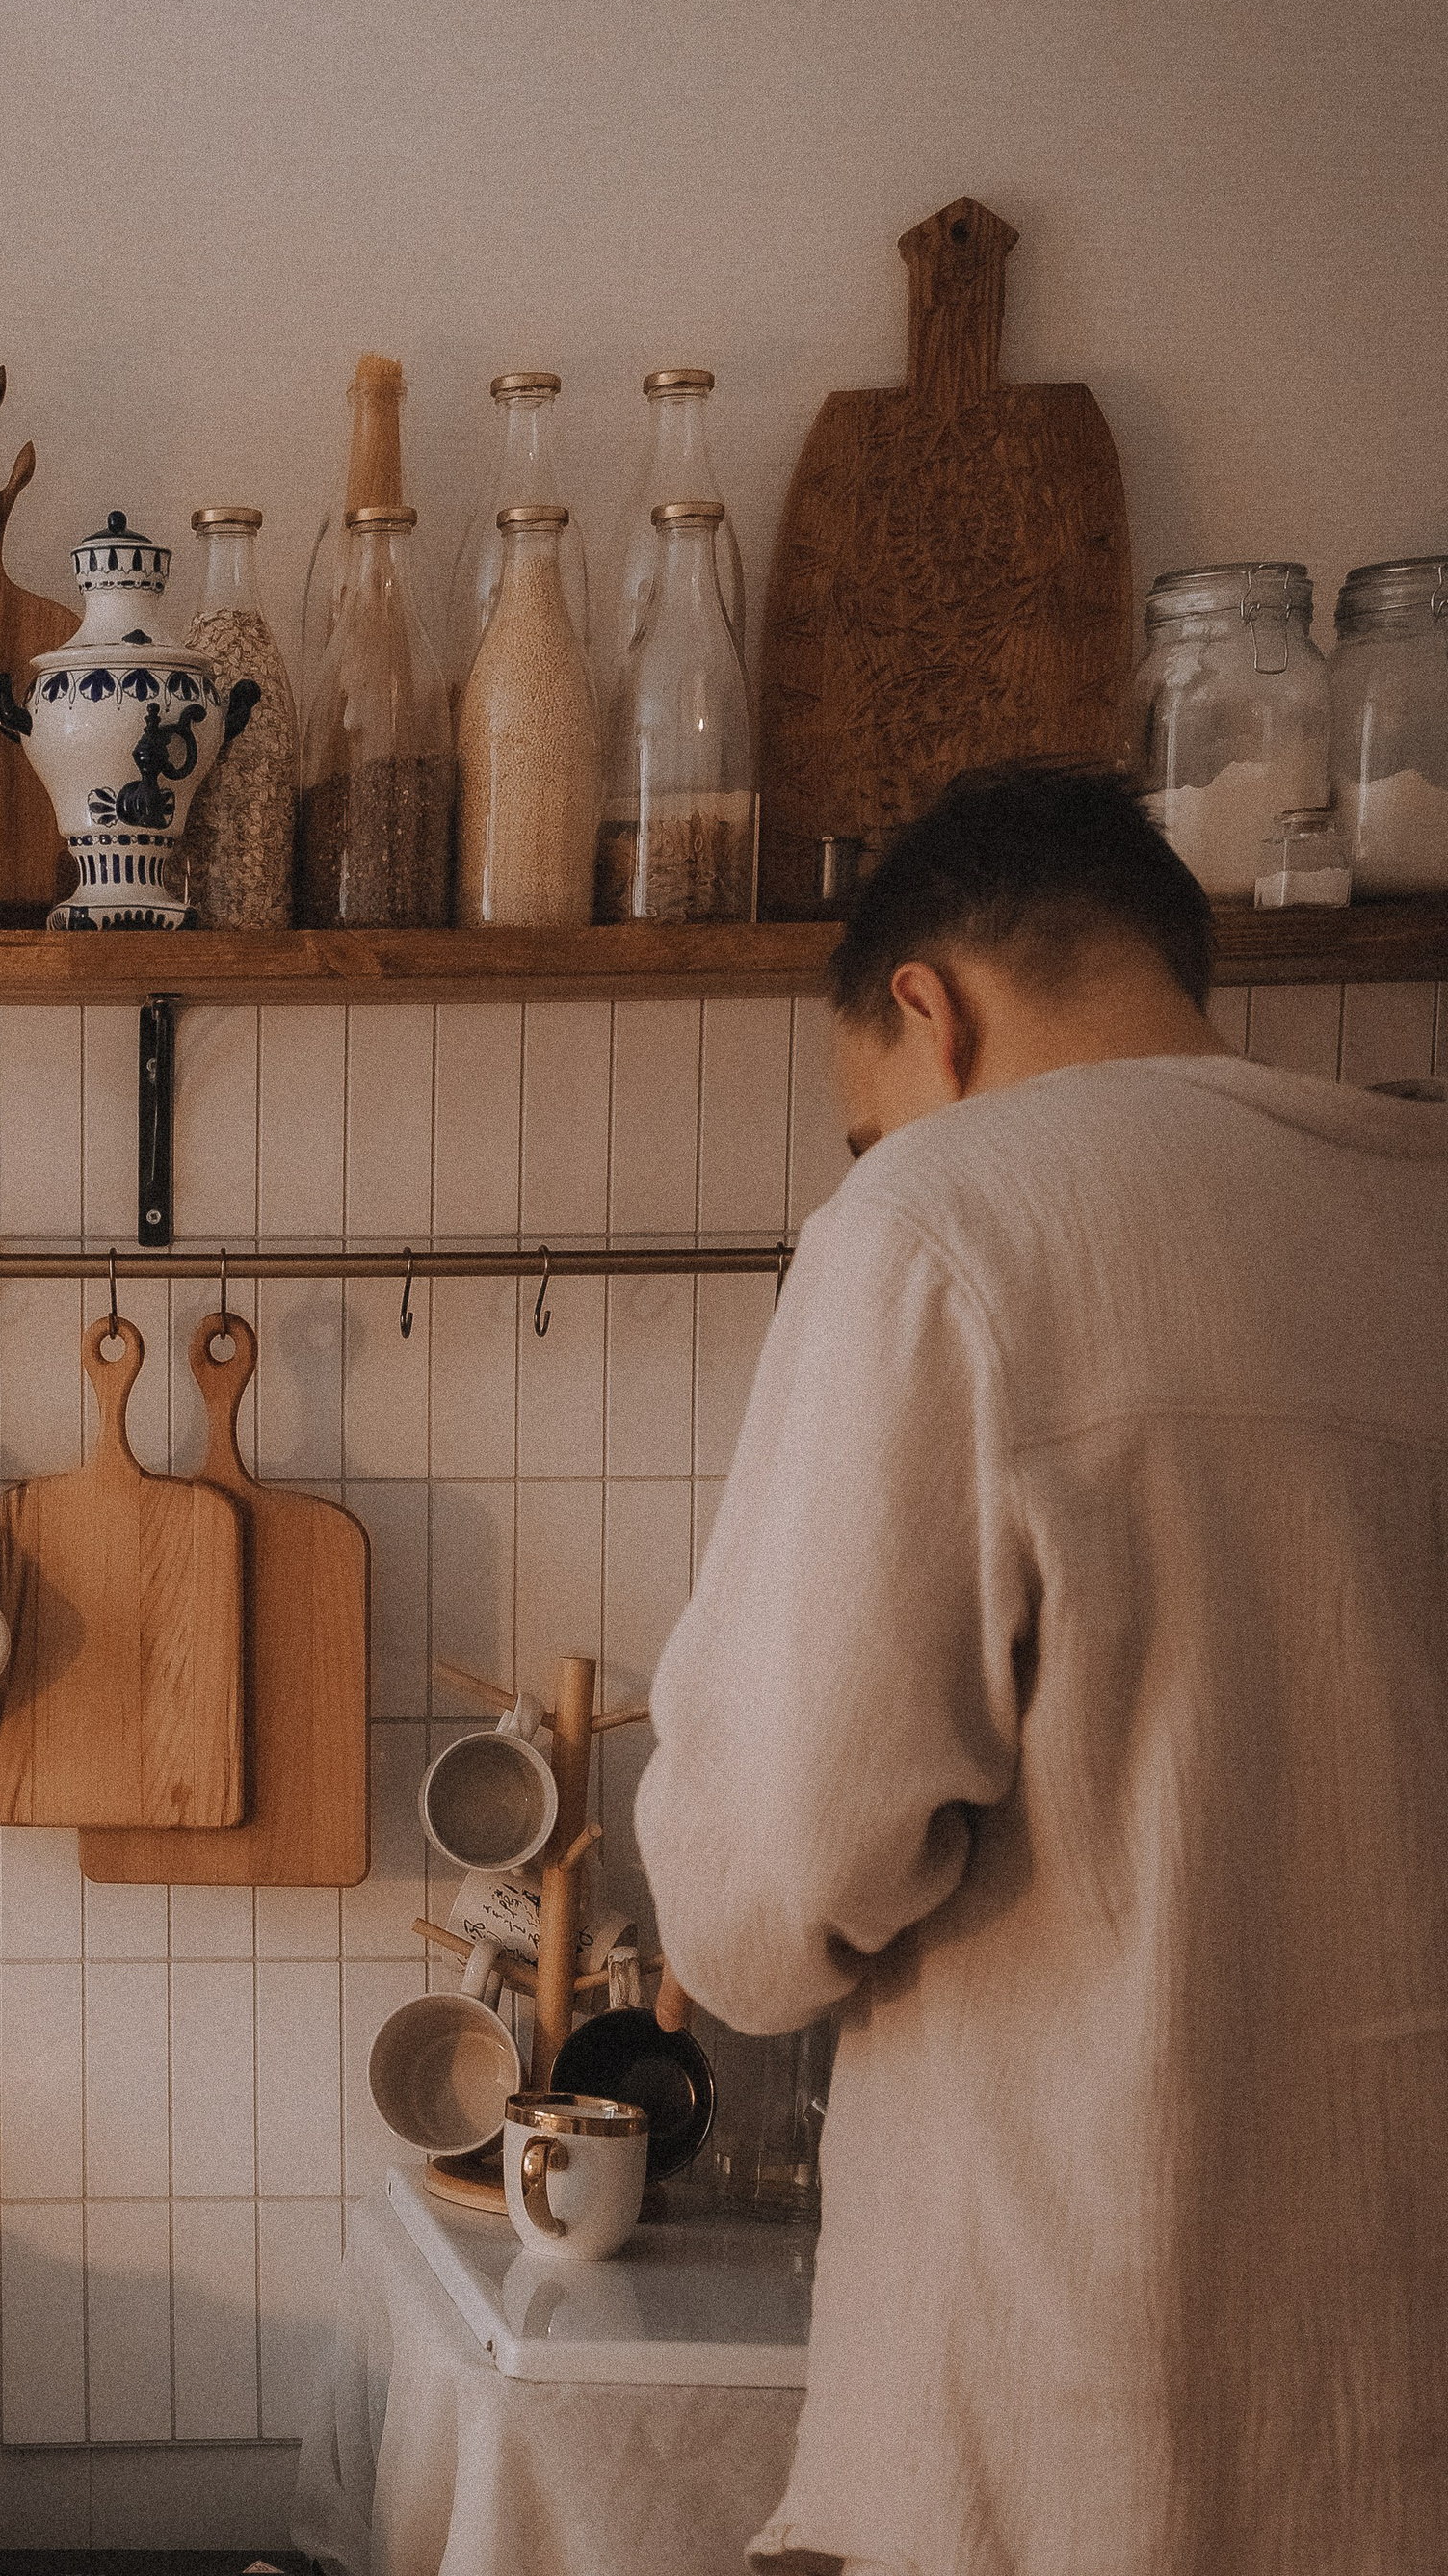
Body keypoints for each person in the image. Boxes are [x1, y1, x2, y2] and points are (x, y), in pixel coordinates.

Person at [634, 763, 1448, 2576]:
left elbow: (757, 1904)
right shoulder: (1416, 1208)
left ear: (932, 1010)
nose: (873, 1159)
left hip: (1077, 2433)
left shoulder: (942, 1228)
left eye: (865, 1121)